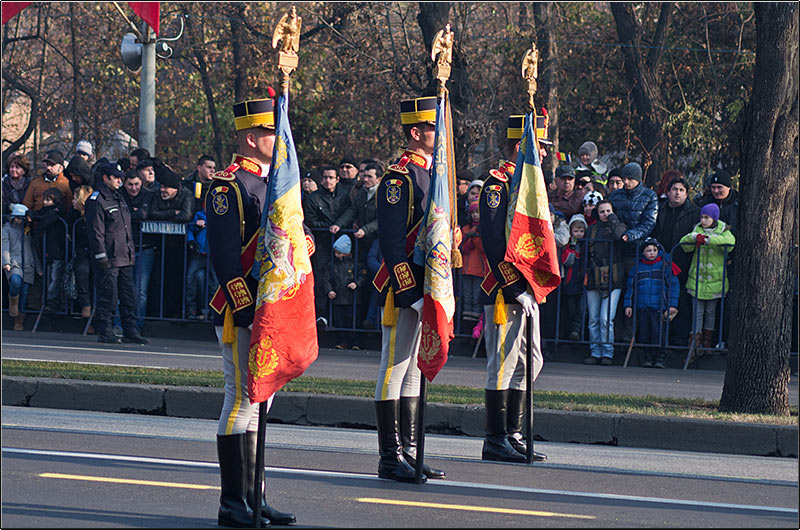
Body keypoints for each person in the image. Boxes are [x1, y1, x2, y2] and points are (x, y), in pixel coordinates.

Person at [205, 96, 296, 527]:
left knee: (262, 404)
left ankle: (255, 497)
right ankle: (232, 502)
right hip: (243, 310)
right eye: (271, 132)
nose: (278, 139)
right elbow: (225, 258)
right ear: (250, 137)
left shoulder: (276, 181)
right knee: (241, 401)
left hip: (272, 307)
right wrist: (246, 312)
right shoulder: (228, 186)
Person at [372, 94, 446, 483]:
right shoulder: (398, 178)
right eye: (433, 127)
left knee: (414, 370)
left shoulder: (434, 175)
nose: (439, 133)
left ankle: (411, 452)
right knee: (394, 367)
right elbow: (391, 243)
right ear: (416, 132)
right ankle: (390, 456)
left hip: (427, 287)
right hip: (404, 292)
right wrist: (410, 294)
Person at [477, 114, 547, 464]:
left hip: (527, 289)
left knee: (531, 361)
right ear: (521, 147)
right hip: (503, 290)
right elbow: (493, 242)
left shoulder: (530, 184)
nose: (544, 154)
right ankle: (495, 439)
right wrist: (515, 286)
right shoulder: (498, 185)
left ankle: (513, 434)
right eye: (539, 147)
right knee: (502, 365)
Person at [85, 162, 147, 345]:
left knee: (128, 296)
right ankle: (105, 330)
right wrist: (101, 256)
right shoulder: (97, 200)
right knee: (108, 297)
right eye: (116, 178)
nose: (120, 181)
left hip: (124, 255)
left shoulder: (119, 197)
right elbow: (96, 232)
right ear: (105, 178)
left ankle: (130, 330)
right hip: (109, 257)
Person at [608, 161, 659, 341]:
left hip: (637, 251)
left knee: (633, 295)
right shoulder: (616, 196)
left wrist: (631, 235)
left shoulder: (649, 196)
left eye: (630, 179)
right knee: (616, 294)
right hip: (616, 251)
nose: (626, 182)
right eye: (624, 178)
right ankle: (616, 335)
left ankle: (631, 336)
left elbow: (649, 223)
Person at [679, 203, 735, 356]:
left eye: (706, 218)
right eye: (701, 217)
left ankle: (707, 342)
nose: (703, 221)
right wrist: (694, 238)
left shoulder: (724, 230)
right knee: (697, 312)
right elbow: (685, 245)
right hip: (697, 280)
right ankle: (694, 343)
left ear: (714, 218)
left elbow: (730, 243)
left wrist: (708, 240)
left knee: (710, 312)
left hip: (715, 281)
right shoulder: (697, 229)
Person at [651, 176, 699, 347]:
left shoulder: (694, 212)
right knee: (661, 298)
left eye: (681, 190)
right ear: (668, 192)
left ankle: (679, 339)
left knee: (681, 300)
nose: (677, 193)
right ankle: (660, 339)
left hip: (683, 262)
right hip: (661, 260)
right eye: (674, 189)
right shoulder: (660, 209)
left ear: (686, 194)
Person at [623, 238, 680, 368]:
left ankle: (660, 357)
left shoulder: (665, 266)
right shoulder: (637, 267)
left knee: (658, 333)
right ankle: (647, 357)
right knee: (644, 334)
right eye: (648, 250)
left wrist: (672, 305)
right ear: (643, 252)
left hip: (659, 306)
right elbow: (630, 287)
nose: (652, 253)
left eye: (654, 250)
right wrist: (628, 305)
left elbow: (673, 286)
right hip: (642, 306)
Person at [583, 199, 627, 365]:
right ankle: (595, 352)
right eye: (602, 211)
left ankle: (607, 353)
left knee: (606, 318)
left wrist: (613, 220)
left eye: (608, 211)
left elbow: (619, 236)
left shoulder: (619, 226)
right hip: (593, 276)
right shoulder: (592, 229)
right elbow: (585, 252)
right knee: (593, 319)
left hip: (614, 278)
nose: (605, 214)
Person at [122, 171, 155, 332]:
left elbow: (143, 214)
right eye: (130, 185)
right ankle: (120, 323)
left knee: (141, 290)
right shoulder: (120, 194)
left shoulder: (148, 194)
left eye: (136, 184)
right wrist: (132, 212)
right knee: (124, 288)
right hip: (124, 248)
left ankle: (137, 325)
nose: (133, 188)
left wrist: (129, 212)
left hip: (145, 247)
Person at [26, 187, 68, 313]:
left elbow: (47, 219)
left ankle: (52, 301)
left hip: (57, 249)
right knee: (50, 277)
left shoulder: (59, 211)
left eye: (48, 200)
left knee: (55, 277)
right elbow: (37, 213)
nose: (45, 202)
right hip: (48, 249)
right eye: (44, 199)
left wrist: (38, 227)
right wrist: (30, 214)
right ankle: (49, 301)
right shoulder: (46, 211)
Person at [322, 234, 365, 345]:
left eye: (339, 253)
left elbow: (363, 275)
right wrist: (329, 290)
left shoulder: (355, 264)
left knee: (353, 320)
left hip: (352, 298)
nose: (336, 255)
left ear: (347, 253)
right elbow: (326, 278)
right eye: (336, 252)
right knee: (339, 321)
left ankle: (355, 342)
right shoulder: (332, 264)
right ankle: (342, 341)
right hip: (338, 297)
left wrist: (357, 284)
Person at [3, 203, 36, 330]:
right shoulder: (6, 229)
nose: (20, 221)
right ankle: (12, 301)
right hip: (14, 263)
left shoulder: (27, 231)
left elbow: (32, 248)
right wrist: (6, 262)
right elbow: (4, 246)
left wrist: (38, 267)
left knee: (25, 293)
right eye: (18, 218)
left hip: (28, 264)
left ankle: (19, 319)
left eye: (22, 218)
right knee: (15, 282)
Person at [63, 185, 95, 318]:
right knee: (82, 271)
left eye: (75, 198)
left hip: (96, 251)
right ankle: (85, 304)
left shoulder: (94, 214)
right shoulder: (73, 215)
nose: (72, 201)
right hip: (81, 252)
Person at [185, 197, 217, 320]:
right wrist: (191, 241)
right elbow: (190, 229)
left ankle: (213, 311)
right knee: (190, 281)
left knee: (214, 284)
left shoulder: (219, 217)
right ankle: (191, 309)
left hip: (213, 254)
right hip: (198, 254)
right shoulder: (198, 215)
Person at [460, 200, 488, 330]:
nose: (475, 215)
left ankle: (475, 327)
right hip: (466, 270)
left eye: (477, 212)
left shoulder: (484, 230)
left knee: (476, 298)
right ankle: (467, 326)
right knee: (467, 298)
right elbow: (462, 248)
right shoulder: (465, 229)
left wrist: (475, 236)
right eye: (473, 213)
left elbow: (483, 248)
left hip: (479, 270)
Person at [561, 214, 588, 342]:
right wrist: (572, 248)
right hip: (570, 281)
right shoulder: (568, 245)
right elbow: (567, 262)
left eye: (581, 231)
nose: (579, 234)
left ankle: (577, 331)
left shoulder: (587, 244)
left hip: (583, 281)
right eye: (576, 231)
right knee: (571, 309)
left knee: (581, 309)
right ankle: (571, 331)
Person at [3, 153, 32, 221]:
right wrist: (9, 206)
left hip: (27, 219)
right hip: (7, 218)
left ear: (24, 170)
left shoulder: (31, 184)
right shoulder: (3, 183)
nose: (13, 169)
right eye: (12, 167)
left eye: (17, 167)